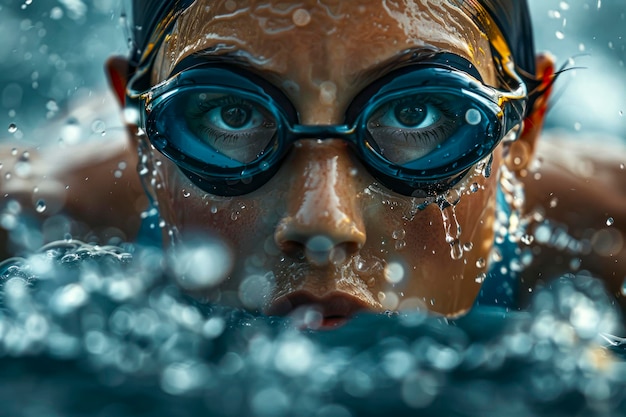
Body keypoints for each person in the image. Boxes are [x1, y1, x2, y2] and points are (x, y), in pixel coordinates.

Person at [1, 0, 625, 328]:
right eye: (231, 116)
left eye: (416, 116)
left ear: (523, 132)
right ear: (140, 131)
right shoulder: (32, 224)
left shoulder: (610, 240)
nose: (323, 223)